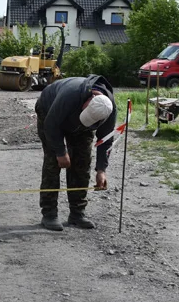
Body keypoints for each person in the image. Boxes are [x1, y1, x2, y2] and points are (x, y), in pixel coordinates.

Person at [34, 74, 117, 231]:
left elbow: (105, 141)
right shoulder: (70, 95)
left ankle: (77, 214)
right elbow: (51, 125)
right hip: (49, 112)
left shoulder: (108, 110)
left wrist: (101, 170)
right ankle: (49, 214)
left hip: (79, 125)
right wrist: (60, 152)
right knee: (53, 162)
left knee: (82, 162)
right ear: (88, 101)